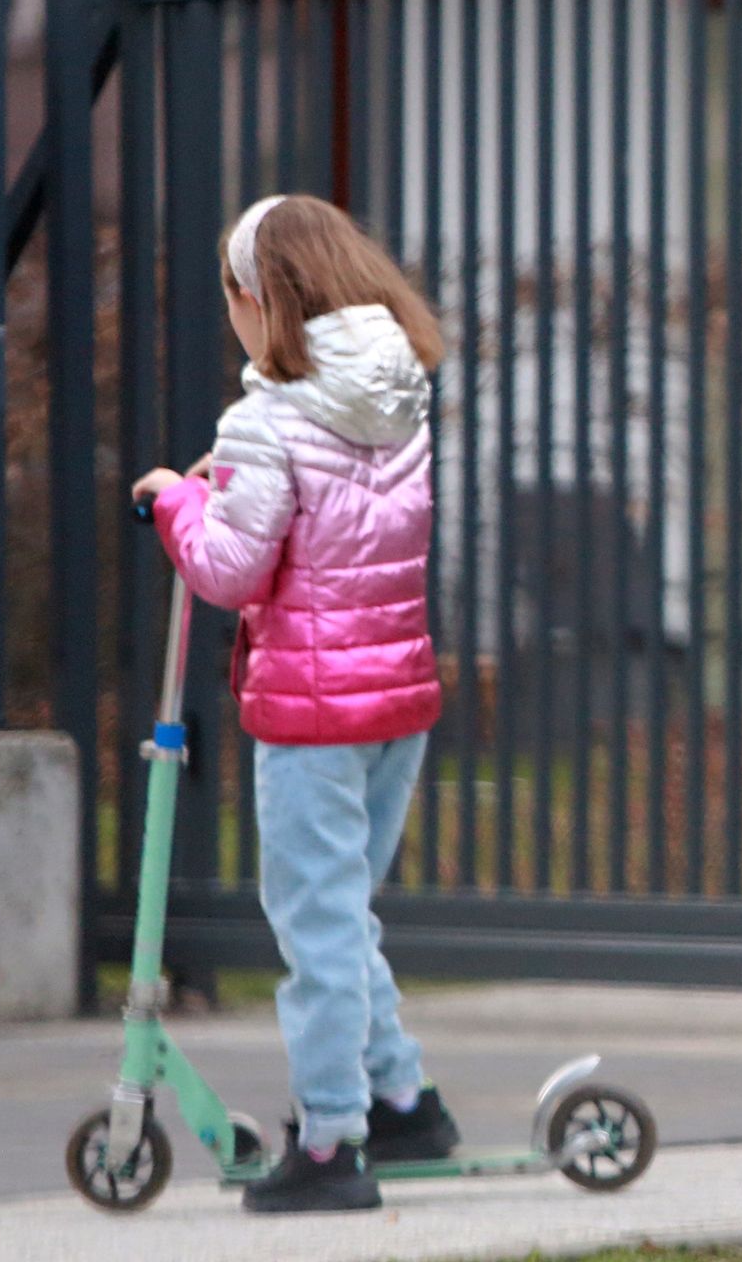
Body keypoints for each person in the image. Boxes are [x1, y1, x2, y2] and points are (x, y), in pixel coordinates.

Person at [132, 194, 460, 1212]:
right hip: (395, 697)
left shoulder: (268, 415)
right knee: (341, 911)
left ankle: (330, 1143)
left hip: (312, 715)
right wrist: (227, 479)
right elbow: (330, 518)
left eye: (232, 297)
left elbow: (229, 568)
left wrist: (174, 499)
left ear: (259, 300)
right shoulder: (399, 394)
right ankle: (401, 1100)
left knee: (315, 928)